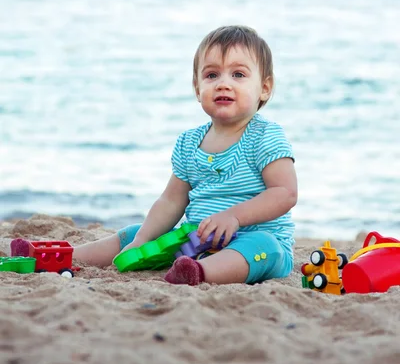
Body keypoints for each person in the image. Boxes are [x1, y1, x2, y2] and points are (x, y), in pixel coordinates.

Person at [12, 25, 298, 286]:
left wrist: (234, 217)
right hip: (195, 241)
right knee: (137, 232)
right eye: (212, 75)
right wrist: (142, 239)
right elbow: (172, 200)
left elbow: (284, 192)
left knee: (264, 247)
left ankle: (199, 273)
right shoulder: (190, 142)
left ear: (265, 88)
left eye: (238, 74)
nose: (223, 83)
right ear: (198, 89)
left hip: (253, 240)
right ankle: (65, 257)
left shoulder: (264, 136)